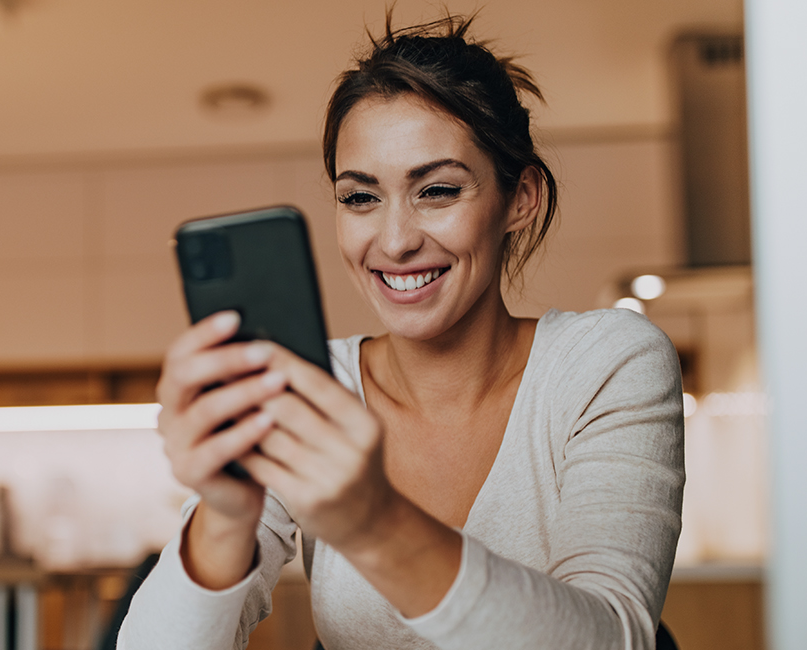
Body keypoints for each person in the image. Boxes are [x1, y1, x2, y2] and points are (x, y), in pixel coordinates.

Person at [118, 13, 684, 650]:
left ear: (519, 197)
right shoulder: (307, 384)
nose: (395, 241)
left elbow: (617, 639)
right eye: (360, 198)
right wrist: (225, 513)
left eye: (438, 190)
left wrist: (372, 521)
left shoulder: (604, 363)